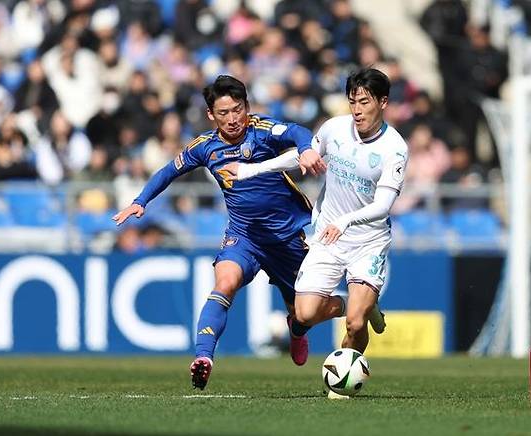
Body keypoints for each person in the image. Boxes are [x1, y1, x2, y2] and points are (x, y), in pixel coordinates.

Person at [112, 75, 339, 390]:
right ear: (210, 115)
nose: (233, 119)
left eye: (238, 109)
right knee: (225, 282)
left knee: (303, 313)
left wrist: (305, 149)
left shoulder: (262, 131)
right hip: (243, 236)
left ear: (246, 106)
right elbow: (168, 171)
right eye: (224, 113)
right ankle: (203, 357)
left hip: (286, 239)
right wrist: (140, 201)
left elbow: (299, 131)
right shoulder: (205, 147)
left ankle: (297, 330)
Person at [223, 69, 408, 394]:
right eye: (352, 102)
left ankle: (342, 383)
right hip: (327, 236)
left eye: (364, 102)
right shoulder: (335, 129)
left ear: (383, 102)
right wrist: (251, 170)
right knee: (305, 314)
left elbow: (383, 205)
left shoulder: (395, 148)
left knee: (354, 323)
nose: (357, 110)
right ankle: (357, 304)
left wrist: (347, 221)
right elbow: (300, 155)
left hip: (367, 241)